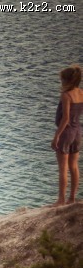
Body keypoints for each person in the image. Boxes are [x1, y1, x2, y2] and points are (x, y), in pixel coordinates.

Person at [51, 65, 83, 207]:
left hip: (66, 133)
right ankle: (72, 199)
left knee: (63, 168)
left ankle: (61, 200)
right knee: (74, 167)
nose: (61, 82)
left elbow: (65, 119)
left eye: (62, 79)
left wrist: (56, 136)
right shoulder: (81, 93)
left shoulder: (66, 95)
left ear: (67, 81)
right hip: (78, 132)